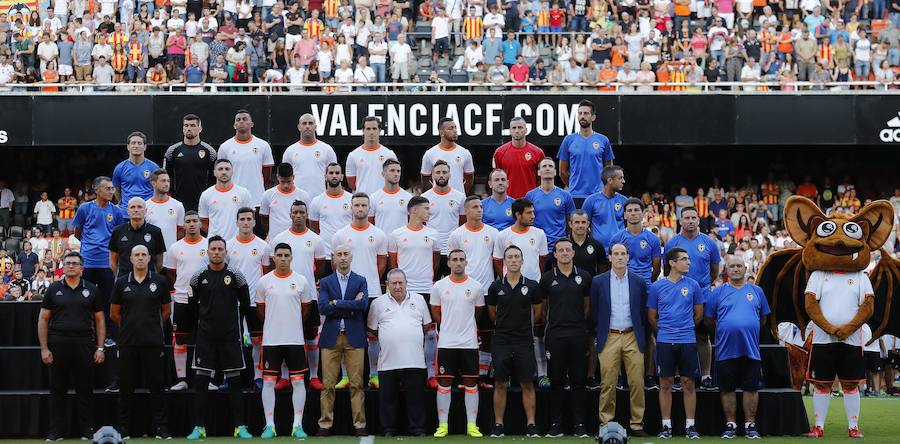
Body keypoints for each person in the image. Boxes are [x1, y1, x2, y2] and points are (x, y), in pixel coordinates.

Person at [185, 236, 253, 440]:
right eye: (213, 248)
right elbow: (191, 307)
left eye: (220, 249)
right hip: (206, 337)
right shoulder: (198, 277)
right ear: (207, 252)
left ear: (225, 252)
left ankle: (240, 427)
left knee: (235, 383)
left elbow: (245, 304)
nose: (216, 252)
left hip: (231, 337)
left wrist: (240, 329)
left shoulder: (236, 276)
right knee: (201, 384)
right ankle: (199, 427)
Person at [38, 251, 106, 442]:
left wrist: (100, 348)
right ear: (63, 266)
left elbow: (100, 321)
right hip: (58, 344)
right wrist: (44, 348)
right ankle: (56, 432)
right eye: (67, 263)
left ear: (82, 268)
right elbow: (43, 319)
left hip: (85, 344)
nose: (71, 266)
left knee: (85, 390)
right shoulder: (53, 289)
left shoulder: (92, 290)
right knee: (57, 390)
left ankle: (86, 430)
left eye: (75, 263)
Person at [110, 245, 171, 440]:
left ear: (150, 258)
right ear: (130, 258)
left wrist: (151, 326)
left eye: (144, 254)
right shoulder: (120, 283)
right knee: (126, 387)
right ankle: (124, 429)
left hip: (153, 342)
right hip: (127, 343)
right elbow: (114, 314)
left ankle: (161, 429)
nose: (140, 258)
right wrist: (130, 327)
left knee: (157, 386)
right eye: (137, 255)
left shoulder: (160, 281)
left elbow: (166, 312)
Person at [703, 255, 767, 439]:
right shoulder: (717, 292)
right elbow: (708, 320)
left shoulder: (757, 291)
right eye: (732, 266)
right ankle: (730, 424)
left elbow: (763, 318)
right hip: (725, 349)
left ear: (745, 268)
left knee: (751, 388)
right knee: (727, 388)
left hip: (750, 349)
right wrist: (725, 331)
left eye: (739, 266)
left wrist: (748, 327)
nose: (736, 269)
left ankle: (750, 424)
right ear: (727, 270)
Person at [590, 243, 649, 437]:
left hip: (632, 335)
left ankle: (637, 424)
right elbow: (594, 311)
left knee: (637, 382)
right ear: (609, 257)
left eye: (623, 253)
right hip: (610, 335)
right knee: (607, 382)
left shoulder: (639, 281)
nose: (620, 257)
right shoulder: (599, 281)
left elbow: (642, 312)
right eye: (616, 254)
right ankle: (605, 422)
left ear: (628, 257)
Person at [256, 243, 314, 439]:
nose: (282, 258)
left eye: (286, 255)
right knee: (269, 382)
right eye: (279, 255)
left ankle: (297, 425)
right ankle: (269, 425)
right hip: (271, 341)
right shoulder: (264, 282)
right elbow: (261, 311)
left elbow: (306, 310)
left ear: (291, 257)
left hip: (295, 340)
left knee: (298, 382)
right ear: (273, 257)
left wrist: (291, 324)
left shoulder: (301, 281)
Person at [367, 269, 432, 437]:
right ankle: (388, 429)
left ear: (406, 283)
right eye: (393, 283)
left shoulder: (419, 300)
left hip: (415, 360)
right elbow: (372, 329)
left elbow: (426, 325)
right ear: (387, 285)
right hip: (388, 361)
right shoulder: (378, 303)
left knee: (416, 399)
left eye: (400, 283)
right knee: (388, 400)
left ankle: (417, 428)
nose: (397, 286)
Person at [332, 193, 388, 388]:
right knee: (346, 335)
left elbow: (381, 264)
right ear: (351, 207)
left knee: (373, 334)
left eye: (364, 205)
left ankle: (374, 375)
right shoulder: (340, 235)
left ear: (369, 208)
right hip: (347, 294)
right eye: (357, 205)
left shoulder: (379, 234)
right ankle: (347, 376)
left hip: (372, 292)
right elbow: (337, 263)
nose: (360, 208)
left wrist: (367, 283)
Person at [493, 198, 550, 387]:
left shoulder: (539, 234)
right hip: (508, 291)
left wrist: (533, 282)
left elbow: (542, 261)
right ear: (518, 215)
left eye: (533, 212)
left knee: (536, 332)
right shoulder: (502, 236)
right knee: (506, 333)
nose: (533, 216)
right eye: (529, 213)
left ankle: (541, 373)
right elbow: (498, 262)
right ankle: (504, 374)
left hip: (533, 291)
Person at [270, 200, 326, 390]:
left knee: (311, 338)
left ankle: (313, 376)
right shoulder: (280, 238)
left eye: (302, 212)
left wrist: (308, 281)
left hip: (308, 296)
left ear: (307, 214)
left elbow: (320, 268)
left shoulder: (316, 239)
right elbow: (273, 266)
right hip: (284, 297)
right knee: (286, 338)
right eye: (295, 212)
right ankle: (285, 376)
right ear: (290, 214)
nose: (299, 215)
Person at [487, 245, 542, 438]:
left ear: (522, 260)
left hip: (524, 340)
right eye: (509, 257)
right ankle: (498, 424)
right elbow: (493, 313)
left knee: (527, 382)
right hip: (501, 340)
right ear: (504, 261)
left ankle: (531, 425)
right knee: (500, 382)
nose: (513, 260)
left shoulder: (533, 285)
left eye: (516, 257)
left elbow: (538, 311)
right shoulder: (496, 286)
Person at [648, 247, 704, 439]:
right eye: (684, 259)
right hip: (665, 341)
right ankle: (666, 426)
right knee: (665, 383)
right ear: (672, 263)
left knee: (689, 383)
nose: (688, 262)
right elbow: (652, 316)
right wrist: (665, 332)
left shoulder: (694, 285)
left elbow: (699, 314)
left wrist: (684, 329)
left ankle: (690, 426)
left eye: (689, 259)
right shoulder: (657, 287)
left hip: (688, 340)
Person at [664, 207, 721, 391]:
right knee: (679, 336)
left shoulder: (709, 243)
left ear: (699, 220)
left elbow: (714, 272)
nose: (690, 220)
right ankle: (679, 376)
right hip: (678, 298)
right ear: (680, 221)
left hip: (703, 296)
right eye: (686, 217)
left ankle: (705, 375)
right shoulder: (672, 243)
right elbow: (667, 272)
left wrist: (701, 288)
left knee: (703, 337)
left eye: (693, 217)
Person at [430, 249, 485, 438]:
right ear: (449, 263)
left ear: (466, 262)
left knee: (471, 383)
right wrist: (449, 328)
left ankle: (472, 425)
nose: (458, 262)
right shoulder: (438, 286)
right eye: (455, 259)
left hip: (469, 343)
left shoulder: (476, 286)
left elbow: (478, 313)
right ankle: (443, 426)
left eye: (462, 259)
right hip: (447, 343)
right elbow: (436, 314)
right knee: (444, 383)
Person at [316, 244, 369, 437]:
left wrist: (336, 303)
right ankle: (325, 424)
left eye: (346, 254)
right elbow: (323, 308)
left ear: (351, 257)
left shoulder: (361, 280)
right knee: (328, 384)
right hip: (331, 337)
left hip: (354, 337)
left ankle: (359, 424)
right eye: (339, 254)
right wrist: (350, 305)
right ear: (334, 258)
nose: (343, 258)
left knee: (357, 384)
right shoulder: (327, 281)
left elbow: (362, 305)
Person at [542, 238, 593, 437]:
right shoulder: (547, 278)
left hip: (579, 334)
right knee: (556, 381)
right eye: (560, 250)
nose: (564, 253)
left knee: (579, 381)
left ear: (573, 253)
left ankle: (579, 425)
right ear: (555, 254)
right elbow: (544, 308)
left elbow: (587, 306)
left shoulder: (585, 276)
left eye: (567, 250)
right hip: (556, 335)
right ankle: (556, 425)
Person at [448, 195, 499, 389]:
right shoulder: (457, 235)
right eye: (475, 207)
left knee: (486, 335)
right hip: (462, 293)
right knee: (463, 334)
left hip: (485, 291)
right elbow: (453, 263)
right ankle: (463, 375)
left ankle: (484, 376)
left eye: (481, 207)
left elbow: (497, 262)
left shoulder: (493, 233)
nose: (480, 210)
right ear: (466, 211)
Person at [388, 196, 440, 383]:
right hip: (404, 290)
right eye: (426, 208)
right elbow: (394, 265)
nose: (429, 211)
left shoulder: (433, 234)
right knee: (403, 332)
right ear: (414, 210)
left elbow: (436, 261)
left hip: (426, 288)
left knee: (430, 332)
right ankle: (401, 372)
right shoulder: (396, 234)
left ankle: (431, 374)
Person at [74, 176, 127, 345]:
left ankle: (109, 336)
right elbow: (77, 232)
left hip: (107, 262)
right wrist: (89, 245)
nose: (112, 191)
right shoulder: (84, 208)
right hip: (88, 261)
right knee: (84, 300)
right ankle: (85, 335)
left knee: (108, 301)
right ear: (97, 190)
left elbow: (119, 235)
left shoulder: (117, 211)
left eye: (112, 188)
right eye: (108, 188)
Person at [226, 207, 272, 389]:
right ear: (236, 222)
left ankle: (258, 377)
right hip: (233, 302)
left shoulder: (263, 247)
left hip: (255, 301)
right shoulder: (228, 246)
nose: (245, 222)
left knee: (257, 341)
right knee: (230, 341)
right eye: (242, 219)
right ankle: (229, 378)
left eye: (248, 219)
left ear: (254, 222)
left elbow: (267, 273)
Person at [163, 211, 208, 391]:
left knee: (207, 340)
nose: (191, 224)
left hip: (206, 299)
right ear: (183, 225)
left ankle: (207, 379)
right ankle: (182, 379)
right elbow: (171, 272)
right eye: (188, 221)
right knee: (180, 340)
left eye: (195, 221)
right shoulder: (175, 248)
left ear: (200, 224)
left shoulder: (209, 244)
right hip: (182, 298)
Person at [558, 99, 615, 208]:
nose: (582, 116)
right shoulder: (568, 140)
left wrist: (603, 188)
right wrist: (574, 186)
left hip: (598, 194)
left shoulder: (603, 140)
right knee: (578, 225)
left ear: (593, 117)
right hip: (574, 195)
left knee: (597, 225)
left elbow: (609, 170)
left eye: (586, 113)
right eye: (580, 113)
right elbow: (562, 171)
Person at [217, 109, 275, 207]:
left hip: (257, 199)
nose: (241, 121)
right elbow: (221, 175)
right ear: (234, 125)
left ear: (251, 124)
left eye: (244, 119)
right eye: (238, 120)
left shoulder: (263, 145)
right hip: (232, 200)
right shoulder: (225, 147)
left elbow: (267, 174)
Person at [163, 114, 217, 211]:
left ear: (200, 128)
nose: (189, 128)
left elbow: (214, 179)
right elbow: (166, 176)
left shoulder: (210, 152)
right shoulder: (172, 151)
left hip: (202, 202)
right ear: (183, 128)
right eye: (186, 125)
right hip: (177, 202)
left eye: (192, 125)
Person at [422, 160, 467, 275]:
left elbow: (462, 223)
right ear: (432, 175)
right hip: (431, 249)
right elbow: (422, 224)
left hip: (452, 249)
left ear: (450, 174)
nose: (441, 175)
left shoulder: (460, 197)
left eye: (444, 172)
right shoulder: (425, 197)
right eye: (437, 172)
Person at [282, 113, 338, 199]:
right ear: (299, 127)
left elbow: (333, 177)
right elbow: (285, 178)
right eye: (304, 123)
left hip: (320, 199)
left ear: (315, 126)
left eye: (310, 123)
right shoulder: (290, 151)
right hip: (296, 200)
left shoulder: (327, 149)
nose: (307, 126)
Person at [309, 162, 353, 270]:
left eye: (337, 173)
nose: (334, 176)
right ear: (325, 176)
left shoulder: (351, 199)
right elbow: (314, 230)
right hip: (326, 254)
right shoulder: (316, 201)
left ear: (342, 177)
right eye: (331, 173)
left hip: (347, 253)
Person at [525, 158, 576, 251]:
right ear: (539, 172)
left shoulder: (565, 195)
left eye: (550, 166)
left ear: (555, 172)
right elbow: (526, 221)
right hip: (536, 245)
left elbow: (570, 220)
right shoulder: (530, 195)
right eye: (544, 166)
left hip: (559, 246)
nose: (547, 168)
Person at [608, 198, 661, 286]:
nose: (633, 213)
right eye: (629, 210)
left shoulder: (653, 239)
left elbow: (656, 269)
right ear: (624, 215)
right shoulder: (616, 239)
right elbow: (612, 266)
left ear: (643, 213)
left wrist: (646, 282)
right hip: (623, 285)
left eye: (636, 210)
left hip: (646, 286)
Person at [109, 197, 166, 278]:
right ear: (127, 211)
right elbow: (113, 262)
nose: (136, 210)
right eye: (132, 207)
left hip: (149, 281)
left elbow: (159, 263)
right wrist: (120, 279)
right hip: (124, 281)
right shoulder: (118, 231)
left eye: (139, 207)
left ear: (146, 211)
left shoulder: (155, 232)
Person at [198, 159, 253, 240]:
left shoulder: (243, 193)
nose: (224, 172)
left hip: (237, 243)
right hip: (215, 245)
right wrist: (216, 237)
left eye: (227, 169)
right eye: (220, 169)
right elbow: (203, 221)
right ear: (214, 172)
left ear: (232, 172)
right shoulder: (206, 194)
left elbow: (250, 220)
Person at [492, 116, 545, 199]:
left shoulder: (537, 152)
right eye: (514, 128)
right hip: (507, 201)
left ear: (526, 130)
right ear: (510, 131)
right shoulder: (500, 152)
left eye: (520, 127)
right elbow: (495, 179)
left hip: (530, 200)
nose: (517, 130)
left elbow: (542, 179)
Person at [421, 117, 475, 194]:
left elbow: (469, 179)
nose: (455, 131)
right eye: (451, 128)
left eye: (455, 128)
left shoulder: (465, 153)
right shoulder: (430, 154)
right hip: (437, 200)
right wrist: (434, 193)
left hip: (458, 201)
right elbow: (425, 180)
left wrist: (460, 193)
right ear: (441, 132)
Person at [346, 116, 398, 195]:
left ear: (379, 130)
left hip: (383, 200)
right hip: (362, 203)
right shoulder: (353, 155)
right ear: (363, 131)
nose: (371, 132)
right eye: (368, 129)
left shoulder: (389, 154)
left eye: (374, 129)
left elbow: (394, 179)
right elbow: (352, 184)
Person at [260, 163, 310, 240]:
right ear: (277, 177)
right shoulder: (268, 195)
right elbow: (264, 219)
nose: (286, 185)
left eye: (289, 181)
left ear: (293, 177)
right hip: (275, 238)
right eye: (283, 182)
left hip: (297, 238)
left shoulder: (303, 195)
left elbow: (308, 220)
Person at [582, 165, 628, 249]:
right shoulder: (591, 200)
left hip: (619, 251)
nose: (623, 181)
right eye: (620, 178)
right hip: (597, 251)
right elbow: (583, 225)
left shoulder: (624, 201)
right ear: (610, 180)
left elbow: (628, 226)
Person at [112, 132, 160, 209]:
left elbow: (158, 189)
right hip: (125, 211)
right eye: (133, 143)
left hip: (148, 210)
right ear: (128, 146)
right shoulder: (120, 168)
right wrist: (124, 203)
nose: (136, 146)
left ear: (145, 147)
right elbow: (116, 189)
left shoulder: (154, 168)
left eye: (139, 143)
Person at [369, 158, 413, 236]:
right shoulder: (374, 198)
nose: (396, 174)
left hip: (401, 244)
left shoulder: (408, 197)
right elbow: (370, 224)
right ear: (383, 173)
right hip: (382, 244)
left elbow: (411, 223)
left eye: (398, 171)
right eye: (392, 170)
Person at [145, 169, 186, 249]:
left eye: (168, 181)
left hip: (171, 254)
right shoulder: (145, 206)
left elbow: (181, 232)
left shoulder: (178, 205)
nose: (167, 184)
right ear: (153, 183)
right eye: (163, 181)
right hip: (151, 254)